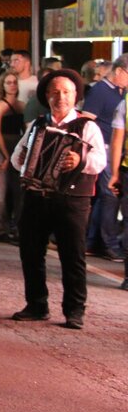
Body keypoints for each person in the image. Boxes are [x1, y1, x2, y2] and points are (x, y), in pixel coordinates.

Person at [11, 70, 106, 329]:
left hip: (72, 200)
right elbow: (17, 157)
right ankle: (36, 305)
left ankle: (74, 310)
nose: (60, 97)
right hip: (36, 197)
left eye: (66, 92)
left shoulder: (87, 126)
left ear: (75, 96)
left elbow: (100, 161)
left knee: (72, 256)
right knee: (31, 253)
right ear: (47, 96)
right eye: (55, 92)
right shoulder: (38, 125)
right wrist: (22, 160)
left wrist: (79, 160)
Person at [82, 55, 128, 261]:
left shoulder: (121, 92)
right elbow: (87, 120)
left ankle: (95, 241)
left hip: (116, 150)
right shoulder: (100, 91)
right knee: (109, 197)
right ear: (119, 71)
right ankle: (108, 244)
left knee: (106, 198)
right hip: (106, 149)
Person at [0, 71, 25, 240]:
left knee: (18, 189)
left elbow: (25, 130)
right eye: (8, 82)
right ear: (2, 86)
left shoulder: (22, 105)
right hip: (1, 146)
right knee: (0, 190)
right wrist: (6, 155)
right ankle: (1, 228)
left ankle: (18, 227)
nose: (12, 86)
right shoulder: (0, 106)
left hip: (17, 145)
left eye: (14, 82)